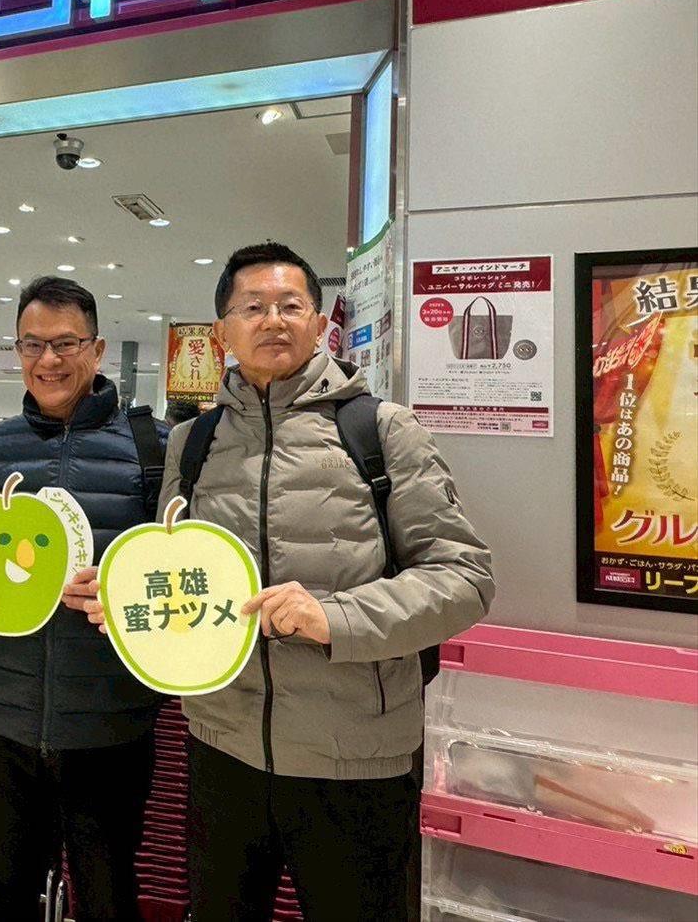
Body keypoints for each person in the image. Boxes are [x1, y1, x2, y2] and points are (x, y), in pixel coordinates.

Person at [88, 242, 494, 922]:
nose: (272, 320)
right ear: (221, 332)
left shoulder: (380, 430)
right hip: (221, 746)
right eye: (252, 307)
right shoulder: (193, 444)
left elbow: (465, 576)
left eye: (290, 305)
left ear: (319, 323)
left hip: (354, 757)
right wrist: (126, 602)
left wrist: (334, 617)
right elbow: (175, 571)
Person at [0, 276, 167, 922]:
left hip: (108, 723)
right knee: (3, 896)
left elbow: (170, 575)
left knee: (108, 897)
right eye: (32, 344)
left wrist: (123, 589)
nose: (48, 359)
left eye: (65, 343)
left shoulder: (152, 447)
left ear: (97, 349)